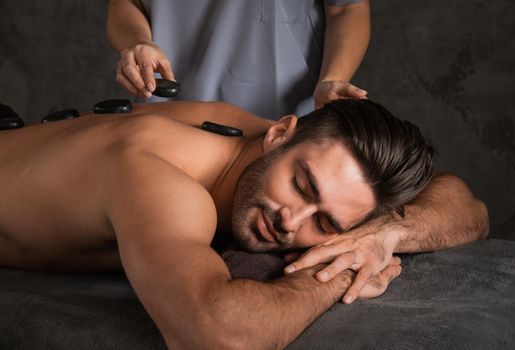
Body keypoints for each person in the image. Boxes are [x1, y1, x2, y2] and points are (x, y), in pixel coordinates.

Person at [0, 99, 488, 348]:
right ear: (280, 134)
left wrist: (386, 235)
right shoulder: (163, 183)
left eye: (327, 223)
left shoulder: (297, 147)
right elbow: (217, 336)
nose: (291, 221)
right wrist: (339, 270)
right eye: (302, 186)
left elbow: (470, 208)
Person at [107, 0, 371, 119]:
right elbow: (125, 3)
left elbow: (348, 7)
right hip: (164, 116)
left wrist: (333, 78)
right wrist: (137, 43)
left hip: (281, 123)